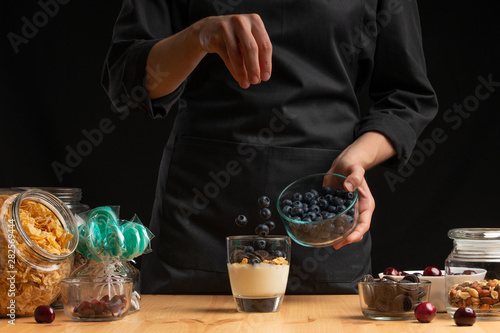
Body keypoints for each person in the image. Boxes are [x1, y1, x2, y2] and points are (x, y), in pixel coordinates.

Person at [102, 0, 438, 294]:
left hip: (324, 220)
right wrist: (199, 37)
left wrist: (358, 157)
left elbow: (406, 98)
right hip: (201, 215)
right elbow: (128, 81)